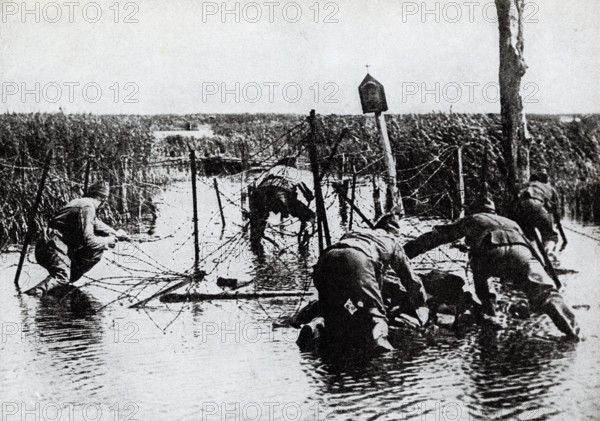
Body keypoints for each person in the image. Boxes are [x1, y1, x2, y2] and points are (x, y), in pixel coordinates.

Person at [403, 197, 579, 339]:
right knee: (545, 293)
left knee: (481, 278)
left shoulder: (473, 218)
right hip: (522, 253)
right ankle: (572, 331)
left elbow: (437, 237)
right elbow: (532, 249)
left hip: (491, 250)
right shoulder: (511, 222)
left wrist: (404, 253)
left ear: (474, 209)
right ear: (493, 211)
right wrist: (543, 272)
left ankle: (491, 317)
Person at [311, 212, 429, 352]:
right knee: (376, 314)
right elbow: (409, 278)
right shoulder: (392, 240)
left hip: (327, 258)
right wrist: (421, 302)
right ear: (393, 231)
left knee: (332, 309)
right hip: (358, 259)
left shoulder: (354, 232)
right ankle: (381, 342)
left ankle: (313, 328)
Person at [24, 181, 130, 296]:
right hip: (51, 244)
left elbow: (95, 223)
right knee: (62, 277)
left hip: (48, 244)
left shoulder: (81, 202)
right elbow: (89, 240)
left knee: (66, 277)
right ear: (103, 199)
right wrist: (108, 241)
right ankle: (31, 296)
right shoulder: (88, 207)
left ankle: (54, 296)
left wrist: (115, 234)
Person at [249, 157, 315, 250]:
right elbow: (303, 187)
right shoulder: (293, 170)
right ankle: (303, 244)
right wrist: (309, 195)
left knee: (258, 220)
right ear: (292, 163)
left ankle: (256, 249)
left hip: (260, 193)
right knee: (309, 216)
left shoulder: (271, 170)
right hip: (282, 193)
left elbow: (255, 185)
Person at [513, 172, 561, 252]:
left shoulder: (524, 185)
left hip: (521, 208)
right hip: (539, 207)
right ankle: (548, 250)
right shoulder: (549, 188)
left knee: (526, 235)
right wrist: (556, 221)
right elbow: (556, 209)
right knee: (550, 237)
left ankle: (530, 249)